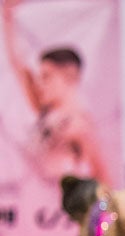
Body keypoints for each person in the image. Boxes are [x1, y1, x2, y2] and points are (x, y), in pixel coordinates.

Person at [3, 0, 110, 183]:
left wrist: (106, 211)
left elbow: (103, 178)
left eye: (47, 77)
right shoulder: (46, 113)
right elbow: (18, 65)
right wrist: (7, 17)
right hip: (37, 205)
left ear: (69, 76)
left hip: (64, 207)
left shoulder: (79, 125)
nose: (40, 83)